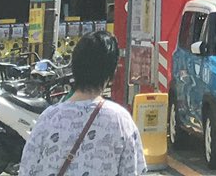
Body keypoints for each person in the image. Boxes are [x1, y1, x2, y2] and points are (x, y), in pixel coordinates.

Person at [17, 30, 140, 176]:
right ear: (111, 74)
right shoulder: (121, 120)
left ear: (74, 68)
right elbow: (133, 171)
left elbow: (26, 169)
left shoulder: (49, 117)